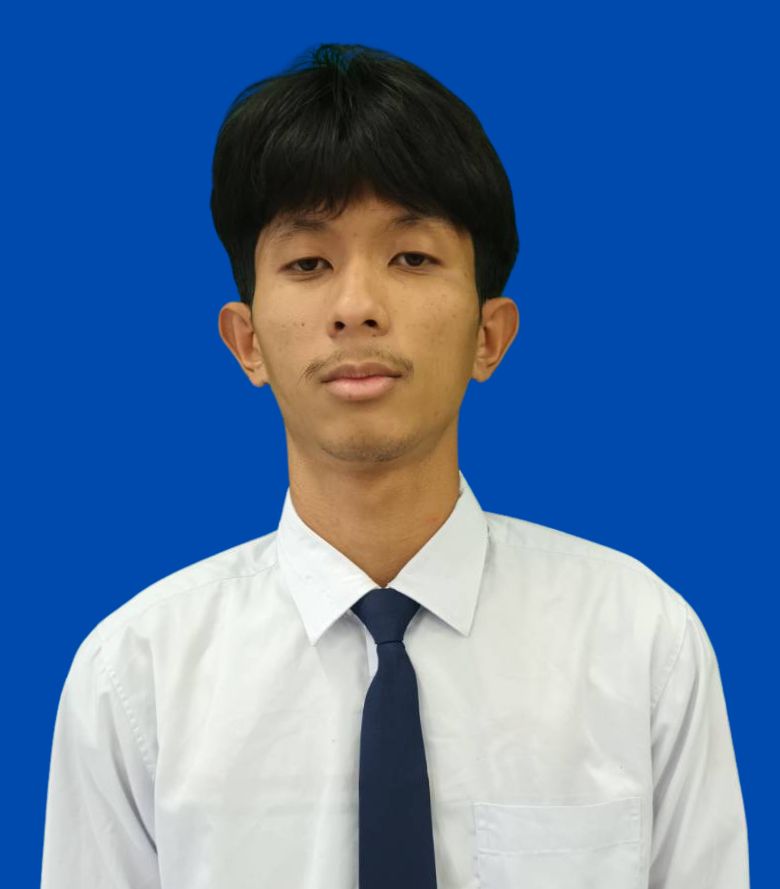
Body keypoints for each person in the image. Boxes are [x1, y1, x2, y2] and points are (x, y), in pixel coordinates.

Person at [39, 42, 749, 889]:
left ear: (490, 335)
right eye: (309, 263)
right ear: (246, 340)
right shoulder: (136, 679)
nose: (357, 307)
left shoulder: (641, 644)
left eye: (411, 257)